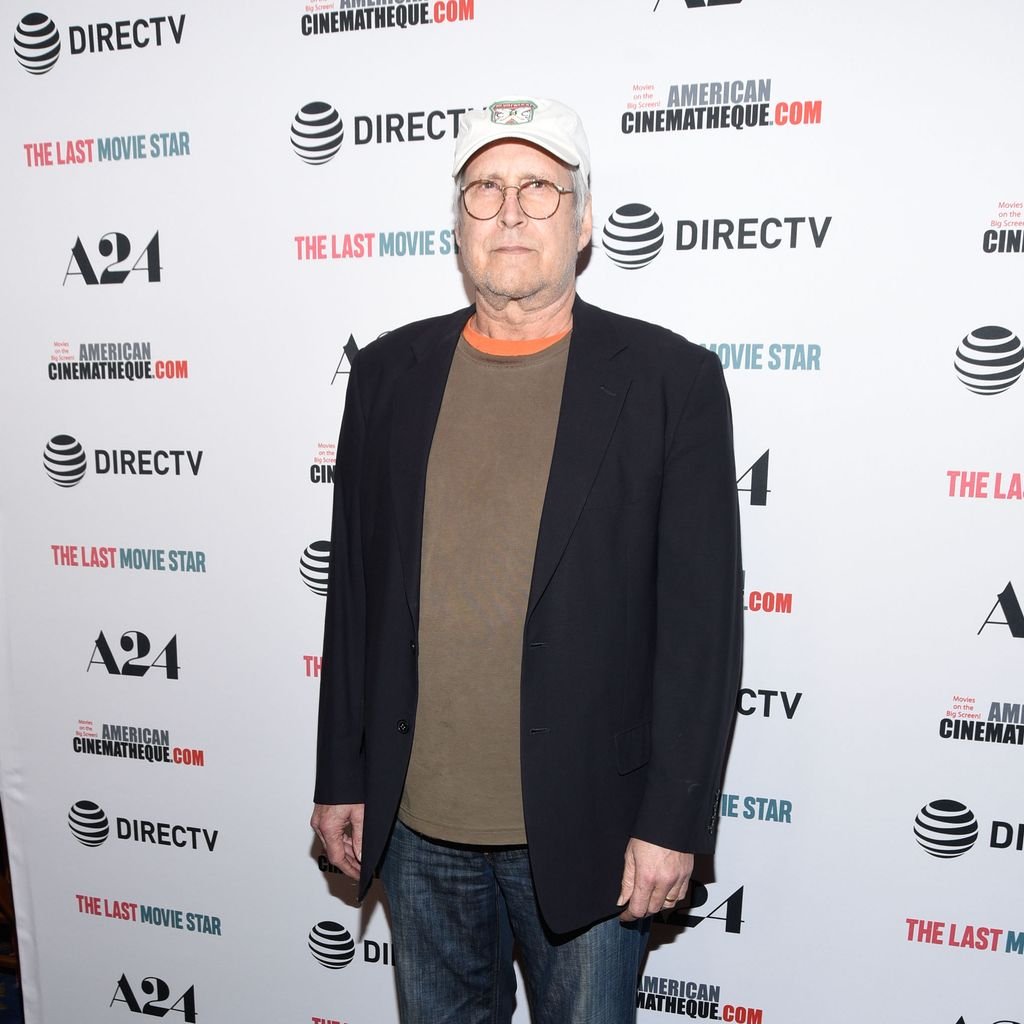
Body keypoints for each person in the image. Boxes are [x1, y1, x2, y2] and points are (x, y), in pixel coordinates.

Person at [311, 96, 742, 1024]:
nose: (510, 211)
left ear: (584, 222)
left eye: (539, 189)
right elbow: (353, 596)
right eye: (485, 190)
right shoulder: (387, 375)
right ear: (457, 223)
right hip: (417, 824)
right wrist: (339, 775)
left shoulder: (672, 382)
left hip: (592, 826)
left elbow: (702, 633)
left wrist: (673, 823)